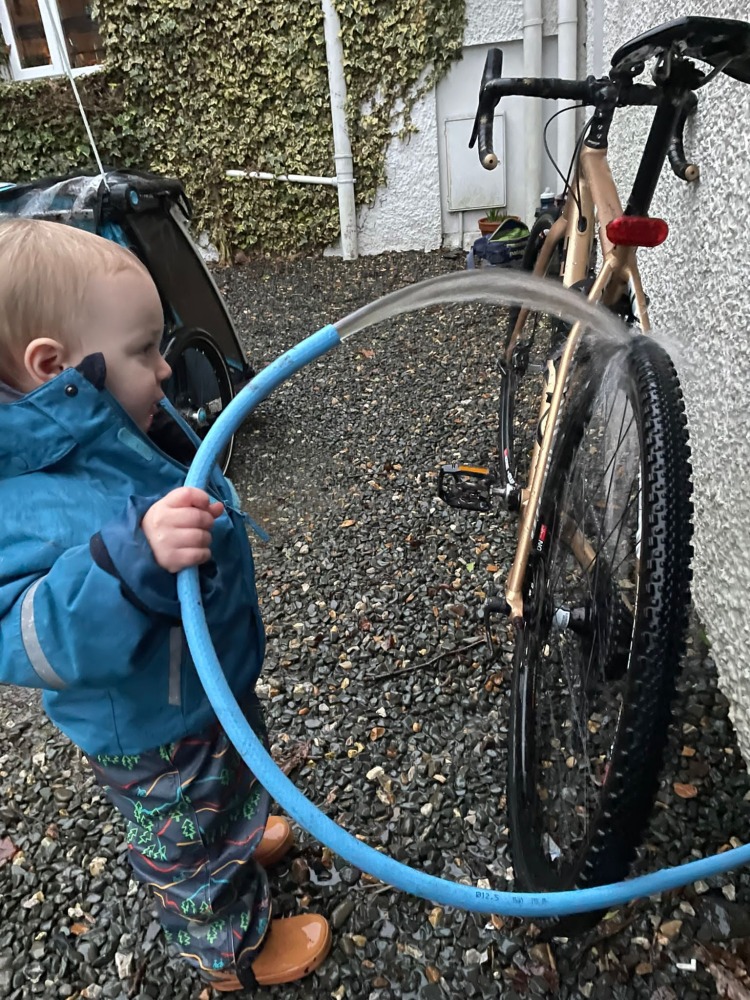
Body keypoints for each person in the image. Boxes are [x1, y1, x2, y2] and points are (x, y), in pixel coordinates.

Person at [0, 218, 331, 993]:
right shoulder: (20, 504)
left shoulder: (115, 427)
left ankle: (241, 832)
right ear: (56, 368)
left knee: (232, 775)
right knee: (187, 847)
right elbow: (30, 637)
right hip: (151, 731)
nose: (164, 369)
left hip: (200, 685)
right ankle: (229, 955)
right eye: (144, 351)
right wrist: (124, 568)